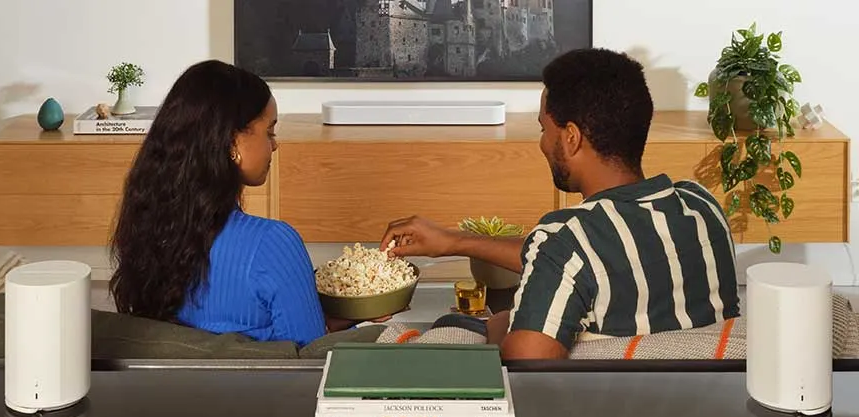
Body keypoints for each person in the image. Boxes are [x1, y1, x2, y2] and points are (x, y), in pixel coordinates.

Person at [380, 48, 740, 361]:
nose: (541, 143)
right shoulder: (702, 206)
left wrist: (500, 325)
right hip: (700, 405)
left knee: (456, 323)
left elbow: (526, 362)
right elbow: (584, 257)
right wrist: (454, 242)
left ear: (570, 138)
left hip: (600, 411)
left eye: (543, 128)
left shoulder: (567, 237)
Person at [109, 60, 362, 346]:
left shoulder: (146, 230)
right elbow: (311, 356)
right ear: (231, 141)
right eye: (269, 132)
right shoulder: (273, 243)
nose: (275, 145)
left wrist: (315, 314)